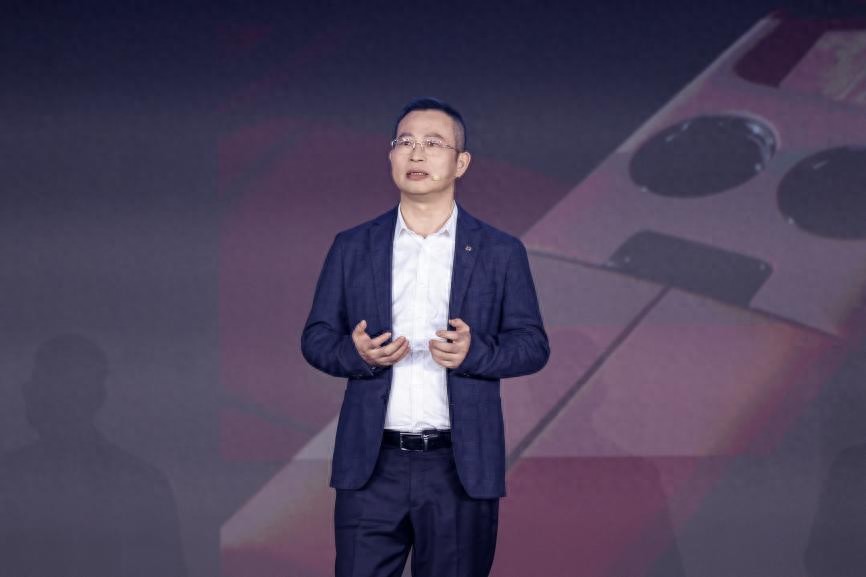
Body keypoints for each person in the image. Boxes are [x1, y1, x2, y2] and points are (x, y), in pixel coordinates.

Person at [301, 97, 549, 577]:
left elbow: (532, 344)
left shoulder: (500, 251)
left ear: (461, 163)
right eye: (405, 142)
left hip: (459, 467)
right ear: (391, 155)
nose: (416, 153)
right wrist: (357, 354)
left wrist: (476, 353)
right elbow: (316, 337)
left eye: (433, 143)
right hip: (372, 465)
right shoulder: (353, 246)